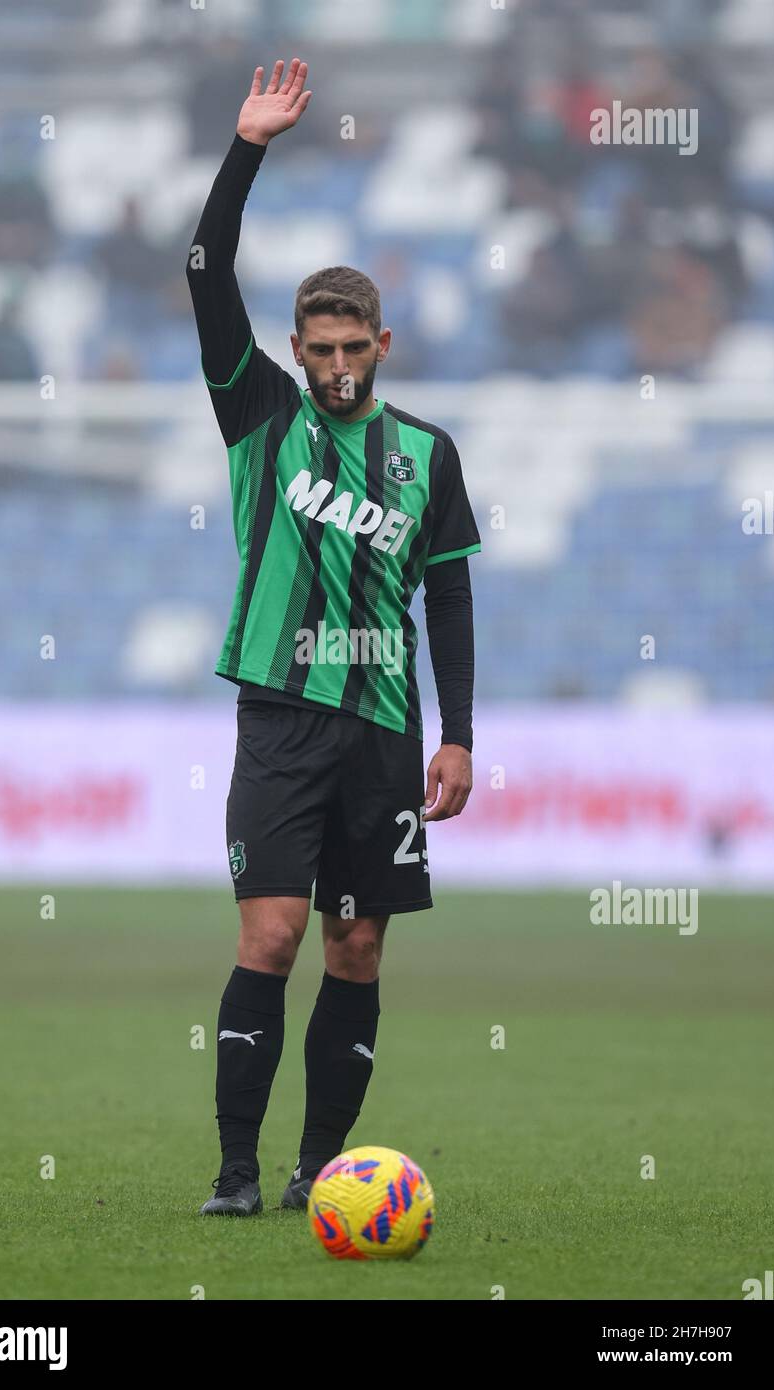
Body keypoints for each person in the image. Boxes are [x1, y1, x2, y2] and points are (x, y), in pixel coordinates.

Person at [186, 59, 481, 1216]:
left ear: (383, 342)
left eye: (355, 347)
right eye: (320, 348)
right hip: (278, 715)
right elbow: (205, 269)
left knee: (354, 950)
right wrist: (248, 147)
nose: (338, 366)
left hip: (384, 736)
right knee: (269, 933)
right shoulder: (257, 414)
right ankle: (234, 1172)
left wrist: (458, 736)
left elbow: (447, 596)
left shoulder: (428, 455)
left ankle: (321, 1170)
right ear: (298, 349)